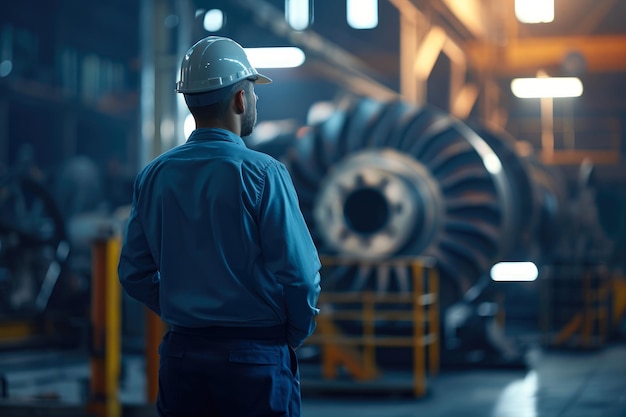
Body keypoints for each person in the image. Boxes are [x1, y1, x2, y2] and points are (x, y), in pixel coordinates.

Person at [118, 36, 321, 417]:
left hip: (182, 357)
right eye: (254, 93)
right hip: (254, 359)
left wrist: (185, 309)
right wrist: (291, 334)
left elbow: (133, 273)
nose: (256, 101)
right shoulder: (264, 173)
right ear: (240, 99)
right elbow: (301, 275)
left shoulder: (154, 175)